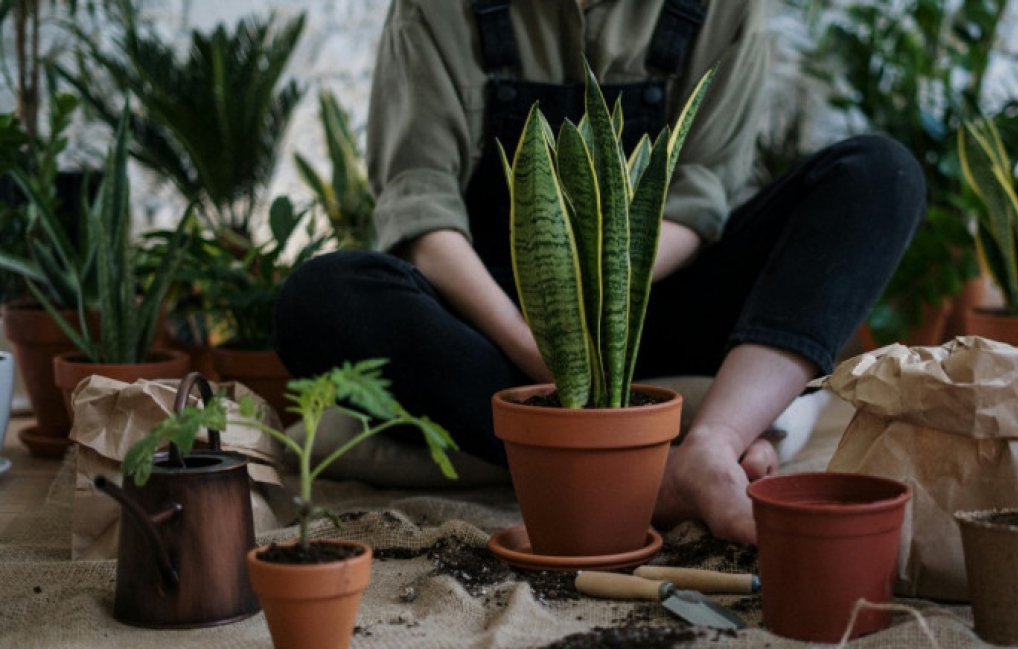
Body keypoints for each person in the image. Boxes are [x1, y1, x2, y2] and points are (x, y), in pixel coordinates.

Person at [274, 0, 925, 546]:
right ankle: (646, 469)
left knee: (879, 176)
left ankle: (711, 444)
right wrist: (543, 350)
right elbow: (421, 209)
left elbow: (700, 198)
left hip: (658, 298)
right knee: (320, 297)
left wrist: (608, 304)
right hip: (496, 328)